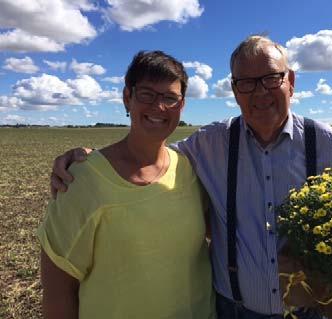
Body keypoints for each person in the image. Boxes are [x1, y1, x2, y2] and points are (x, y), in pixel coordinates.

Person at [50, 35, 332, 319]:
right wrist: (90, 156)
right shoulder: (211, 143)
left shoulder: (323, 142)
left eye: (272, 78)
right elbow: (150, 150)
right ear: (234, 91)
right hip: (232, 310)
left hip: (310, 311)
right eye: (246, 83)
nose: (260, 92)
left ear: (291, 82)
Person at [38, 51, 216, 319]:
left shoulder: (189, 169)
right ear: (127, 97)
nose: (159, 107)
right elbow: (57, 291)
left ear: (181, 105)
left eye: (170, 97)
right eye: (147, 94)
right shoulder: (82, 180)